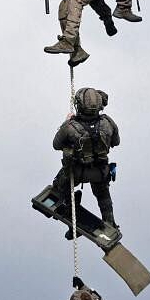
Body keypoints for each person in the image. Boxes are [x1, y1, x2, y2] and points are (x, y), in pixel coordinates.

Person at [51, 88, 120, 229]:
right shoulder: (108, 123)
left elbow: (56, 145)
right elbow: (116, 142)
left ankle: (71, 208)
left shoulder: (70, 127)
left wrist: (66, 122)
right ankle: (109, 221)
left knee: (59, 186)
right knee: (103, 196)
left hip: (77, 172)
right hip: (100, 172)